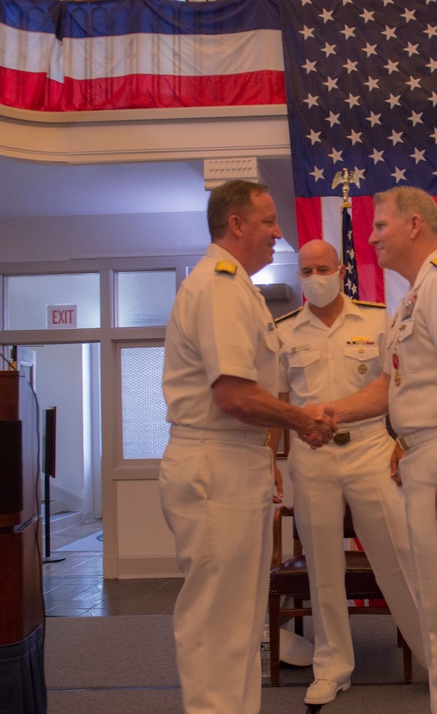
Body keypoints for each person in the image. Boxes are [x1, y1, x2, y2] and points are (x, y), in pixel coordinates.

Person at [159, 180, 335, 714]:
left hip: (237, 458)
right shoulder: (217, 287)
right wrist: (301, 420)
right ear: (236, 224)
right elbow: (233, 394)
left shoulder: (236, 287)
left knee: (238, 621)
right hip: (216, 462)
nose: (279, 234)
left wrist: (266, 448)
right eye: (268, 222)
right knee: (217, 622)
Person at [328, 186, 437, 713]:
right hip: (426, 455)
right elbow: (392, 387)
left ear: (414, 226)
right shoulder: (415, 295)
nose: (373, 236)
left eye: (381, 225)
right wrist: (328, 413)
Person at [271, 239, 427, 706]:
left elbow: (399, 387)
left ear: (341, 270)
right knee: (323, 567)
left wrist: (405, 442)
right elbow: (279, 403)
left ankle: (435, 658)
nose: (315, 277)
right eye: (306, 270)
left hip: (370, 450)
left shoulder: (378, 319)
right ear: (298, 275)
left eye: (323, 267)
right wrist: (269, 463)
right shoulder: (282, 331)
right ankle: (333, 667)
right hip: (311, 457)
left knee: (398, 556)